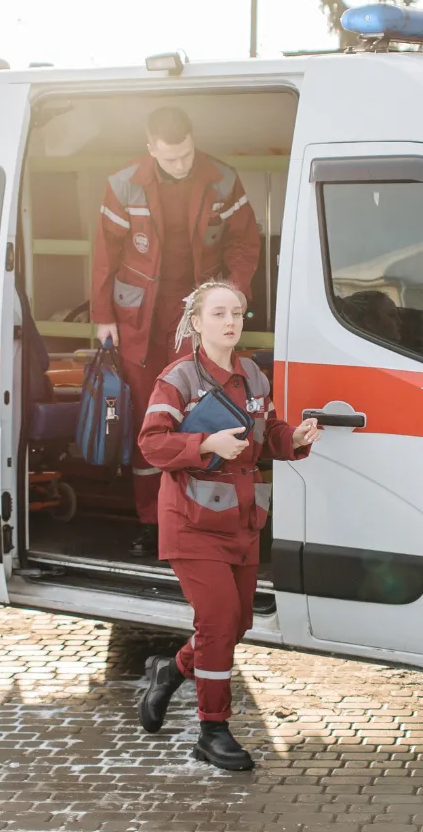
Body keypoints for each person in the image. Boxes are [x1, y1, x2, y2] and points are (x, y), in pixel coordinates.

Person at [135, 279, 320, 770]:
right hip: (192, 522)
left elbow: (268, 435)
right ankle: (212, 729)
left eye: (237, 312)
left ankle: (172, 671)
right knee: (217, 621)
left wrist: (294, 437)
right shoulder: (176, 379)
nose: (230, 321)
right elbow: (152, 444)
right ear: (196, 323)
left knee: (236, 623)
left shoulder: (255, 376)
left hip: (241, 518)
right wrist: (205, 446)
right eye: (218, 313)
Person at [90, 107, 261, 558]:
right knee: (152, 419)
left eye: (186, 155)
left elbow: (245, 242)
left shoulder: (222, 179)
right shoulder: (123, 182)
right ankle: (152, 520)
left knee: (200, 414)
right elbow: (104, 253)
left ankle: (200, 519)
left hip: (199, 312)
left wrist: (234, 298)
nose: (182, 165)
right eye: (171, 159)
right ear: (151, 149)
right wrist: (103, 315)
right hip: (139, 319)